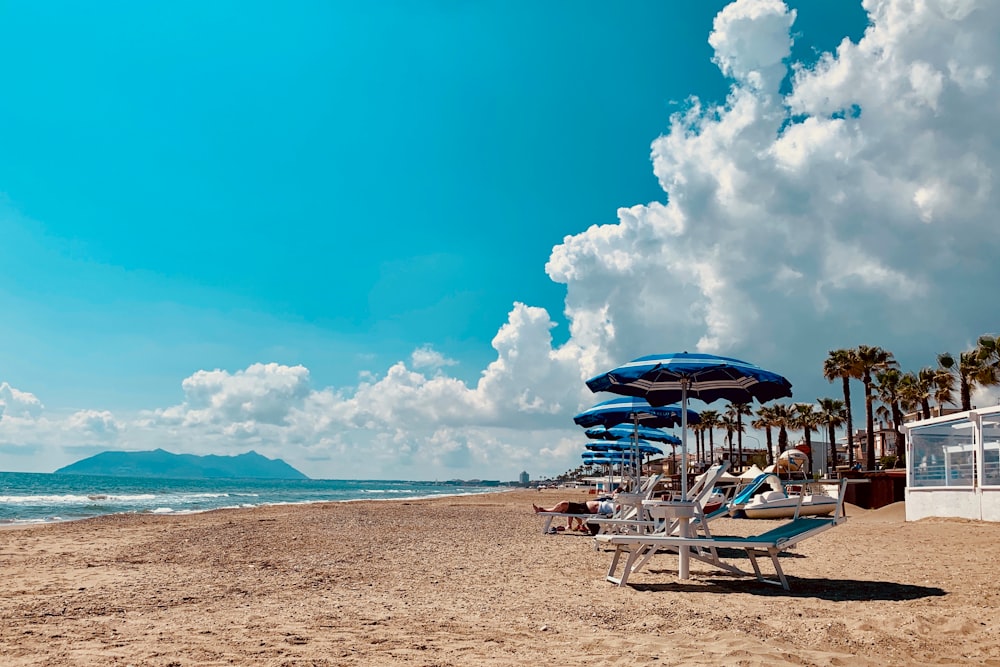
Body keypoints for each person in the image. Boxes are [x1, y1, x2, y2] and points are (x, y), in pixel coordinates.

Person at [532, 498, 616, 531]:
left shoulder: (618, 505)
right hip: (583, 507)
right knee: (564, 506)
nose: (614, 493)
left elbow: (615, 512)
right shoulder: (611, 500)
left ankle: (545, 510)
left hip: (585, 510)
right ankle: (545, 510)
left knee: (563, 504)